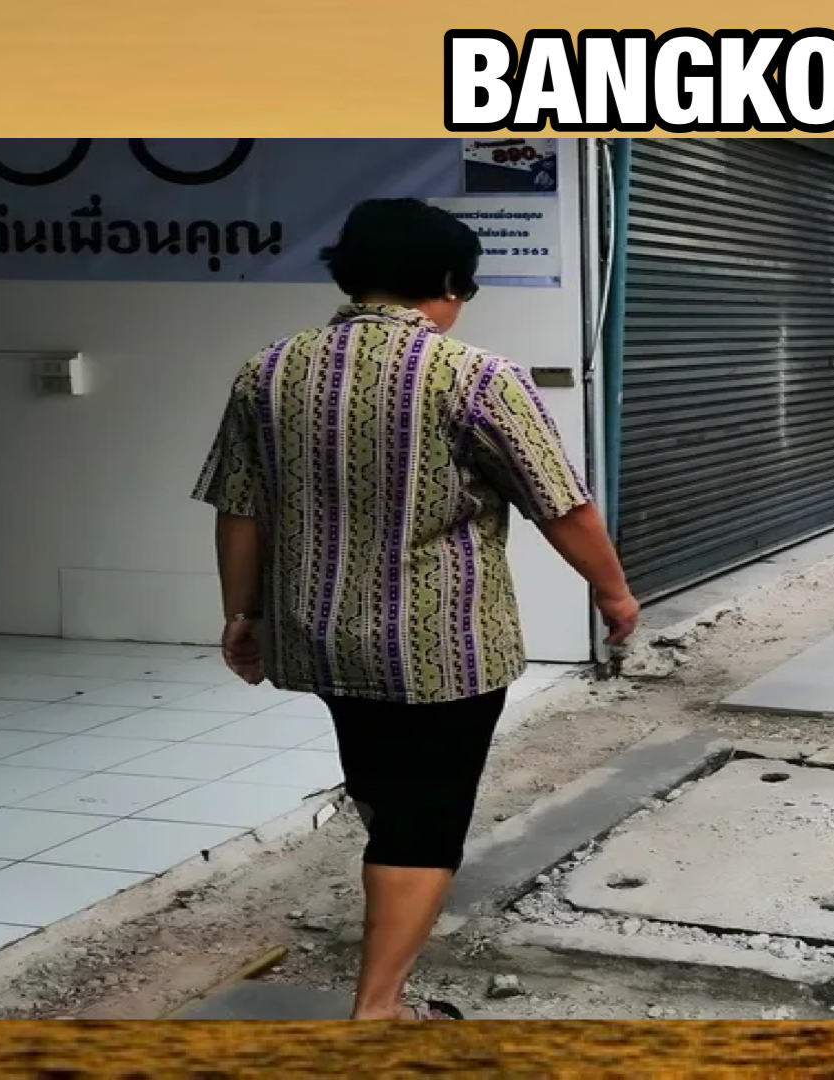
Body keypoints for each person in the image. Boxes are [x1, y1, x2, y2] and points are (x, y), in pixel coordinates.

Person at [191, 198, 639, 1021]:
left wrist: (239, 614)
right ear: (443, 284)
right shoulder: (475, 376)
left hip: (318, 639)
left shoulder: (268, 371)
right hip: (440, 648)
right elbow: (561, 505)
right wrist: (612, 591)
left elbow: (238, 507)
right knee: (425, 823)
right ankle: (379, 1009)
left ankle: (386, 930)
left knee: (381, 786)